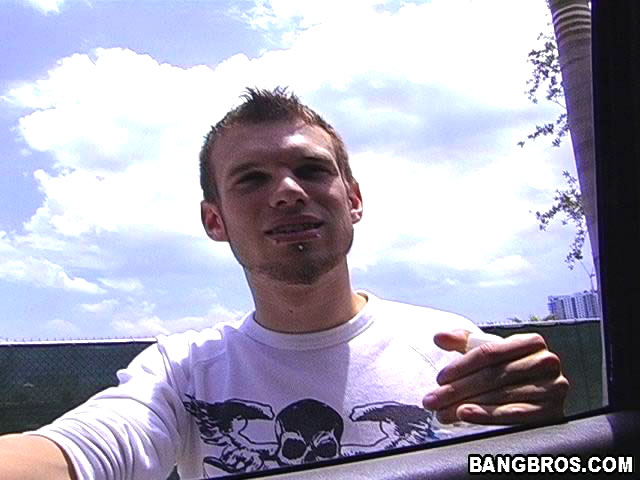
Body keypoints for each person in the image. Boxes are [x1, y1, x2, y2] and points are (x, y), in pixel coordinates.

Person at [0, 88, 569, 480]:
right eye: (251, 179)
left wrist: (546, 443)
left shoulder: (452, 352)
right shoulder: (183, 372)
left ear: (353, 199)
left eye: (312, 169)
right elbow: (89, 447)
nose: (288, 192)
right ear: (214, 221)